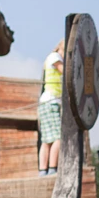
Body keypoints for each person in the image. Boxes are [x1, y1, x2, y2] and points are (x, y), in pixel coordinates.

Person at [38, 46, 64, 176]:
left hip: (47, 102)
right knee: (58, 137)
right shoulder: (55, 57)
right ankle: (53, 168)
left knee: (47, 139)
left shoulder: (51, 57)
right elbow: (65, 71)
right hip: (51, 102)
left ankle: (43, 170)